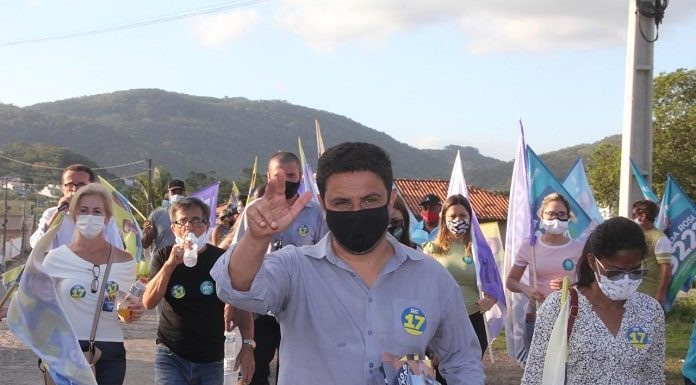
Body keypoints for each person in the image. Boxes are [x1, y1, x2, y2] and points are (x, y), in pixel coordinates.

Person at [212, 142, 484, 385]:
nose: (357, 211)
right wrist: (256, 238)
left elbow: (463, 360)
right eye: (342, 202)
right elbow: (235, 287)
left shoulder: (431, 277)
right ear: (323, 205)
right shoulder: (295, 268)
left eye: (369, 200)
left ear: (390, 201)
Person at [221, 152, 328, 385]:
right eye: (279, 175)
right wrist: (232, 301)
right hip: (261, 304)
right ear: (268, 177)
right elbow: (236, 257)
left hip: (300, 306)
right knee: (255, 370)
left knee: (294, 372)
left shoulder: (316, 213)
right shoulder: (254, 211)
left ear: (300, 176)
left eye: (291, 175)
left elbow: (325, 258)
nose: (286, 180)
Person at [521, 217, 665, 384]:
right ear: (592, 262)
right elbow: (535, 375)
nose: (626, 279)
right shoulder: (560, 307)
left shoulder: (649, 310)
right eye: (615, 272)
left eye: (635, 271)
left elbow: (654, 376)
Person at [142, 197, 255, 385]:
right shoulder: (163, 256)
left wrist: (248, 345)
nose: (189, 227)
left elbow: (241, 304)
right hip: (171, 354)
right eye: (183, 221)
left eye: (196, 220)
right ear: (173, 228)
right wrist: (170, 265)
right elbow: (148, 301)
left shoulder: (221, 259)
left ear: (207, 225)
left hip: (211, 359)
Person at [41, 183, 144, 385]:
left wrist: (134, 311)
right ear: (74, 215)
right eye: (84, 210)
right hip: (66, 349)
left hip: (110, 350)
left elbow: (124, 307)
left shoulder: (124, 261)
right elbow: (41, 306)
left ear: (107, 217)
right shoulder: (55, 259)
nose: (90, 216)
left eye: (97, 211)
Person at [506, 192, 584, 349]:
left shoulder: (579, 248)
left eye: (561, 214)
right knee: (537, 368)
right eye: (550, 214)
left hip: (569, 313)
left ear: (568, 217)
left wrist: (572, 285)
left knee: (568, 367)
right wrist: (526, 289)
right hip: (537, 313)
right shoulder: (529, 247)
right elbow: (511, 281)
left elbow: (589, 283)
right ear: (541, 216)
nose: (556, 218)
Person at [423, 194, 497, 361]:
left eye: (462, 215)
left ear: (470, 218)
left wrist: (491, 300)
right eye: (453, 216)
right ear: (444, 219)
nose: (458, 220)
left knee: (469, 369)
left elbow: (494, 283)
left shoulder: (480, 251)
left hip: (474, 320)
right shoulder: (431, 249)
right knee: (441, 372)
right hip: (441, 322)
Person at [30, 164, 123, 251]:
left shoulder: (103, 216)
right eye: (70, 185)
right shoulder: (52, 213)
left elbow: (116, 250)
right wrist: (59, 212)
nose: (75, 189)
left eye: (82, 185)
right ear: (63, 188)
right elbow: (37, 245)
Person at [632, 199, 673, 305]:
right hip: (632, 292)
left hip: (649, 294)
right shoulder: (634, 235)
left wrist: (661, 293)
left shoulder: (660, 238)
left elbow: (666, 268)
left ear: (642, 217)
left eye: (634, 216)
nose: (632, 219)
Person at [142, 179, 186, 254]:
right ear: (168, 195)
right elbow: (145, 245)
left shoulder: (190, 215)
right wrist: (148, 234)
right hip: (160, 262)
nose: (176, 195)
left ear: (185, 194)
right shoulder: (156, 215)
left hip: (183, 261)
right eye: (173, 192)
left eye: (179, 192)